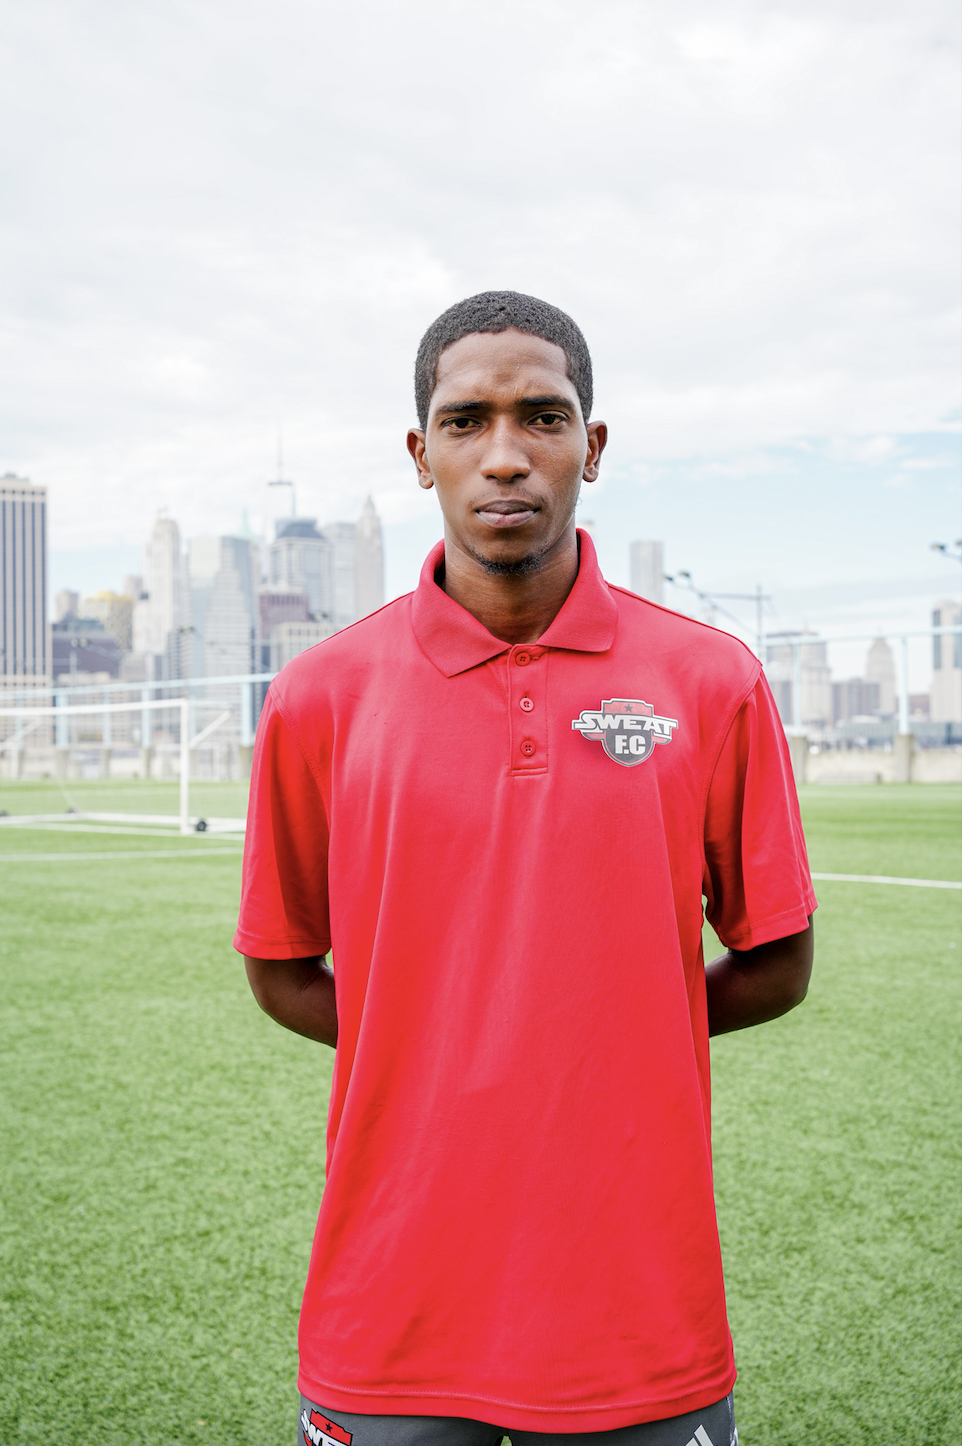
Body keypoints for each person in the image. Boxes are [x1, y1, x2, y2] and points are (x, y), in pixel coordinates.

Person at [236, 291, 816, 1446]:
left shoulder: (709, 680)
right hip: (388, 1310)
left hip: (639, 1321)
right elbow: (282, 969)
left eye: (542, 417)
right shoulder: (319, 698)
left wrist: (610, 1034)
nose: (504, 456)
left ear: (590, 448)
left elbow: (776, 961)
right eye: (465, 422)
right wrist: (436, 1037)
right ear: (420, 454)